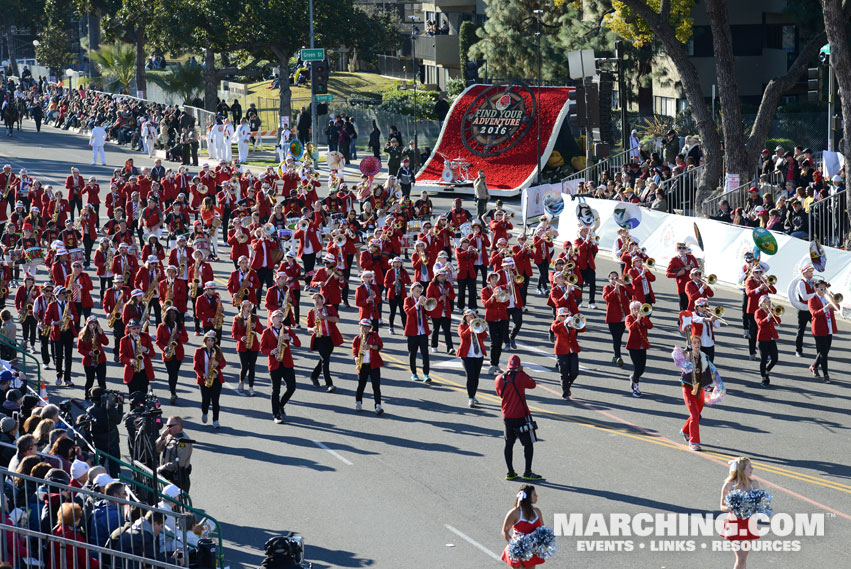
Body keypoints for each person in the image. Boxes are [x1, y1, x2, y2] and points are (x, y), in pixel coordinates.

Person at [495, 355, 542, 481]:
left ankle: (510, 472)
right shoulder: (521, 377)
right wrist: (522, 372)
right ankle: (527, 471)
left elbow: (499, 393)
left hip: (507, 416)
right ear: (519, 366)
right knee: (528, 444)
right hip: (522, 416)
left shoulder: (499, 378)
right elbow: (533, 384)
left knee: (509, 444)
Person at [260, 309, 300, 423]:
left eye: (280, 316)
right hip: (274, 364)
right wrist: (271, 351)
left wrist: (290, 338)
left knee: (292, 387)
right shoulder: (266, 332)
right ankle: (276, 414)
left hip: (287, 363)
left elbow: (298, 343)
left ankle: (281, 405)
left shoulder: (287, 330)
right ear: (272, 319)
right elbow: (262, 349)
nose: (279, 318)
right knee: (275, 390)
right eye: (276, 316)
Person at [720, 457, 761, 568]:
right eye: (749, 466)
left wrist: (754, 508)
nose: (752, 468)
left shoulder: (754, 484)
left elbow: (757, 504)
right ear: (742, 469)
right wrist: (734, 508)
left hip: (749, 523)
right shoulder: (729, 485)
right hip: (734, 523)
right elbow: (722, 506)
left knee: (743, 559)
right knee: (741, 558)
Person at [500, 486, 545, 568]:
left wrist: (540, 543)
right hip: (519, 551)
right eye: (534, 494)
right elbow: (505, 531)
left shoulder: (537, 512)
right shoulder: (514, 513)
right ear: (527, 497)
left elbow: (542, 530)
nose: (537, 496)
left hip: (532, 550)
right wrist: (515, 545)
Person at [680, 335, 712, 451]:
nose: (697, 344)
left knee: (697, 415)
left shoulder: (704, 357)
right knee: (694, 415)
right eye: (694, 342)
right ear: (690, 344)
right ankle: (693, 442)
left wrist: (714, 385)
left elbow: (709, 372)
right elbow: (682, 365)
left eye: (698, 342)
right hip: (688, 389)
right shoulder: (686, 356)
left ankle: (684, 431)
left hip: (700, 389)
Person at [306, 293, 342, 392]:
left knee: (323, 359)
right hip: (319, 338)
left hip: (330, 337)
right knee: (325, 361)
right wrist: (312, 329)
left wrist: (324, 317)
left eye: (318, 298)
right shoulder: (311, 312)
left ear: (323, 300)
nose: (316, 300)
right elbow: (308, 327)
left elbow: (336, 319)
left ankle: (314, 376)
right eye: (314, 299)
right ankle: (329, 384)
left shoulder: (329, 308)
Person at [155, 307, 189, 404]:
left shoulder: (180, 325)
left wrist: (179, 336)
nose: (172, 316)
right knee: (172, 374)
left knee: (175, 373)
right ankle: (173, 393)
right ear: (167, 315)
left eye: (174, 314)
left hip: (178, 353)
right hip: (168, 354)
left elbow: (186, 339)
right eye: (170, 314)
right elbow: (158, 341)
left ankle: (173, 390)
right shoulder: (161, 326)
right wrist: (164, 348)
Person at [88, 387, 124, 477]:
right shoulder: (110, 410)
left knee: (98, 466)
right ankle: (116, 484)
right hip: (112, 442)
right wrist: (120, 405)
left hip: (98, 443)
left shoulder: (90, 411)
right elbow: (118, 420)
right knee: (115, 467)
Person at [809, 279, 839, 383]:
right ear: (815, 289)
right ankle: (826, 375)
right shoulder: (812, 299)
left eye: (824, 288)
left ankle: (813, 366)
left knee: (824, 351)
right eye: (821, 289)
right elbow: (814, 314)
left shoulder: (828, 297)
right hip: (819, 329)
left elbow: (837, 308)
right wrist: (826, 307)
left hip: (829, 327)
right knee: (824, 354)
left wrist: (833, 299)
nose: (823, 290)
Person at [351, 318, 384, 415]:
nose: (364, 329)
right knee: (361, 385)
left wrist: (370, 347)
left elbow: (380, 346)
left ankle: (378, 405)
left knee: (376, 386)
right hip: (363, 366)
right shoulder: (357, 339)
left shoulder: (374, 336)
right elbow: (354, 353)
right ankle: (358, 402)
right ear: (360, 327)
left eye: (366, 327)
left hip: (373, 365)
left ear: (369, 328)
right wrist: (356, 359)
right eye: (362, 327)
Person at [194, 331, 226, 428]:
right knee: (206, 400)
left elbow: (224, 363)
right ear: (205, 340)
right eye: (208, 340)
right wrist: (203, 374)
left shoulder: (217, 351)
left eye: (212, 340)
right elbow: (196, 367)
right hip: (204, 379)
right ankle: (205, 412)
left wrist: (218, 363)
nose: (210, 342)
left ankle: (215, 420)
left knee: (215, 401)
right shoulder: (199, 351)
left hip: (216, 379)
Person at [552, 307, 583, 400]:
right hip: (561, 351)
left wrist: (576, 322)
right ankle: (565, 392)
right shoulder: (557, 323)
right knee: (564, 373)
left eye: (567, 315)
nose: (565, 317)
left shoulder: (572, 324)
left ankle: (566, 385)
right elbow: (554, 328)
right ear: (559, 317)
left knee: (575, 372)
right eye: (563, 316)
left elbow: (583, 328)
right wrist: (564, 323)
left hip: (572, 350)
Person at [156, 416, 193, 491]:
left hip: (178, 479)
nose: (168, 429)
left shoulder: (183, 440)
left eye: (170, 426)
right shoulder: (169, 436)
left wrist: (162, 467)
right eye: (167, 426)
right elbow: (157, 448)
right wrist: (162, 437)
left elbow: (179, 462)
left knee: (176, 502)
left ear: (178, 425)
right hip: (168, 476)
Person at [403, 283, 431, 382]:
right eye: (416, 291)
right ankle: (414, 373)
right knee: (413, 353)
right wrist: (417, 304)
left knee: (425, 354)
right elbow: (408, 312)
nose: (418, 293)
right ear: (412, 291)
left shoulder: (423, 301)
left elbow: (429, 313)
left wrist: (427, 305)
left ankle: (426, 374)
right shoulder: (408, 300)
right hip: (412, 332)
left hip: (423, 331)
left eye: (420, 291)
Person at [119, 319, 155, 393]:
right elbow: (121, 357)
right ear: (129, 329)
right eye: (134, 328)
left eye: (138, 328)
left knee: (144, 394)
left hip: (143, 370)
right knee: (133, 395)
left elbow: (153, 353)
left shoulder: (145, 337)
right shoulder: (124, 340)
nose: (136, 330)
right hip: (132, 371)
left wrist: (146, 349)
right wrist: (130, 360)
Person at [625, 300, 652, 397]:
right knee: (637, 367)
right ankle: (635, 387)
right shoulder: (629, 317)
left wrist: (644, 318)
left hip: (642, 346)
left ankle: (633, 378)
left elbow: (650, 326)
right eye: (634, 309)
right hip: (633, 346)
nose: (636, 310)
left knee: (642, 368)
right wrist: (637, 320)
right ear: (631, 310)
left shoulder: (644, 317)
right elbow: (630, 329)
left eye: (638, 308)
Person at [77, 316, 109, 396]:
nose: (93, 325)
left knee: (102, 381)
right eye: (91, 323)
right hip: (89, 361)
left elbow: (106, 342)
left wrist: (101, 333)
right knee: (89, 381)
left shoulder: (99, 332)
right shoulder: (82, 334)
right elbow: (80, 349)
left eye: (95, 322)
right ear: (87, 324)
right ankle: (87, 396)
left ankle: (102, 398)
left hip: (100, 360)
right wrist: (88, 353)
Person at [754, 296, 780, 386]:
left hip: (771, 338)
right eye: (765, 302)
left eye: (768, 301)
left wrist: (774, 313)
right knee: (764, 359)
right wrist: (768, 317)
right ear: (761, 303)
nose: (767, 303)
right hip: (763, 338)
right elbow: (760, 323)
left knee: (775, 358)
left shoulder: (770, 311)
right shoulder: (758, 312)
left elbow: (778, 321)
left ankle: (766, 371)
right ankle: (764, 378)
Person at [794, 265, 817, 357]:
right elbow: (805, 297)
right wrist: (816, 293)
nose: (811, 273)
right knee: (801, 331)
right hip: (803, 309)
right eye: (809, 271)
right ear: (804, 273)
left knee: (816, 330)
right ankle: (798, 350)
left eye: (812, 271)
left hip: (811, 310)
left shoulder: (812, 282)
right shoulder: (801, 283)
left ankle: (819, 350)